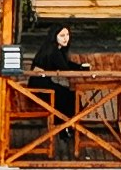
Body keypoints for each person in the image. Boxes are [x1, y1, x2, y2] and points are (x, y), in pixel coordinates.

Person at [31, 23, 85, 155]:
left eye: (67, 35)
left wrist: (80, 67)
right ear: (54, 36)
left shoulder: (56, 49)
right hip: (40, 86)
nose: (65, 38)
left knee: (69, 95)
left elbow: (65, 64)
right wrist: (80, 68)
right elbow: (65, 69)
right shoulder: (53, 50)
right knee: (70, 96)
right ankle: (66, 126)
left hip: (43, 82)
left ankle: (67, 126)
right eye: (62, 35)